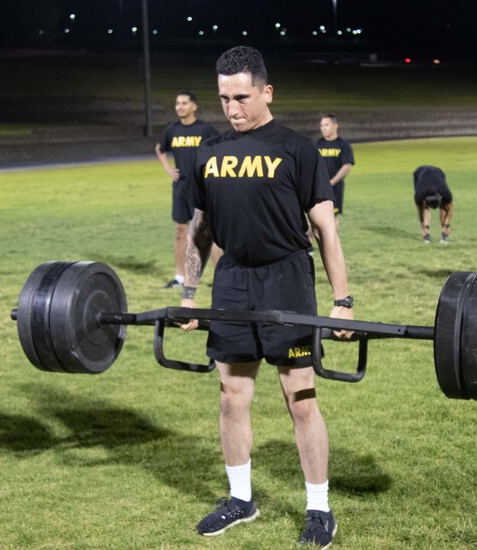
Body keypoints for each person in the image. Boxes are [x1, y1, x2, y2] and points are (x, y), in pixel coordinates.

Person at [179, 46, 352, 549]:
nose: (232, 108)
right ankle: (241, 499)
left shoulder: (298, 150)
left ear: (266, 91)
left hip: (287, 277)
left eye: (241, 97)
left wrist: (342, 300)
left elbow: (326, 230)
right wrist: (190, 293)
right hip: (232, 279)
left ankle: (319, 509)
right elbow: (201, 229)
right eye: (224, 98)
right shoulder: (207, 153)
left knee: (300, 399)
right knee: (232, 396)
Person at [154, 90, 220, 288]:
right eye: (177, 104)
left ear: (194, 106)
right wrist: (168, 169)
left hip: (202, 188)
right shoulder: (172, 130)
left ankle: (221, 277)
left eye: (184, 103)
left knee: (208, 232)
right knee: (180, 231)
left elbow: (221, 148)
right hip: (181, 188)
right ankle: (180, 278)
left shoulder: (205, 129)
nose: (179, 107)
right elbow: (160, 148)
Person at [316, 115, 354, 231]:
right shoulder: (318, 144)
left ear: (335, 126)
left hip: (334, 189)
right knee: (314, 218)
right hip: (317, 188)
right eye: (321, 125)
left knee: (332, 218)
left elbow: (346, 166)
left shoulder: (343, 145)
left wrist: (331, 182)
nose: (323, 128)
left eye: (326, 125)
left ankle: (333, 246)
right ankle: (310, 247)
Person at [412, 165, 454, 244]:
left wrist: (447, 225)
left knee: (443, 207)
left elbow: (450, 208)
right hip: (420, 173)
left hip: (438, 172)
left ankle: (444, 234)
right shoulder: (419, 195)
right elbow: (420, 212)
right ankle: (427, 233)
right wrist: (423, 227)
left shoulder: (446, 194)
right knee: (425, 207)